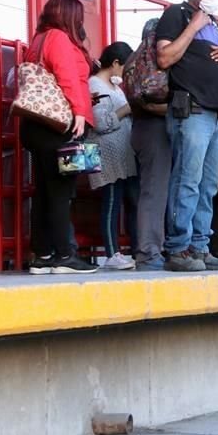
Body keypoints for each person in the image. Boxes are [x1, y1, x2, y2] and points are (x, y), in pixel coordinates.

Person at [155, 0, 218, 272]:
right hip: (192, 110)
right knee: (187, 180)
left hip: (215, 114)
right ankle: (178, 248)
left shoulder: (214, 26)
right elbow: (165, 57)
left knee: (208, 185)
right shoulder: (177, 14)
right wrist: (195, 23)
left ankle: (199, 246)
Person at [21, 0, 98, 274]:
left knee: (44, 190)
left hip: (37, 125)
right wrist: (79, 111)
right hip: (59, 124)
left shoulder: (39, 38)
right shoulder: (59, 39)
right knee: (60, 192)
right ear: (68, 15)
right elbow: (66, 76)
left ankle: (42, 255)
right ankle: (65, 255)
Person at [87, 41, 137, 270]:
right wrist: (128, 109)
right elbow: (99, 122)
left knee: (122, 202)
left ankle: (122, 250)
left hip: (122, 155)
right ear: (115, 63)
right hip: (105, 155)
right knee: (111, 203)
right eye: (124, 67)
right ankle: (111, 252)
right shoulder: (95, 84)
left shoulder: (115, 88)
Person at [129, 19, 172, 271]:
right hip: (156, 128)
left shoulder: (134, 60)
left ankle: (152, 248)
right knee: (155, 193)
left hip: (140, 129)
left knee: (152, 191)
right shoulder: (152, 60)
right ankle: (149, 252)